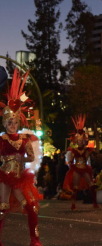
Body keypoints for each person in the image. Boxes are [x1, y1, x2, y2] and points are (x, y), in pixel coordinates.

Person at [0, 69, 42, 246]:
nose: (12, 125)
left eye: (15, 122)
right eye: (9, 122)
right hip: (4, 177)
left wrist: (21, 160)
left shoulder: (25, 138)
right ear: (4, 122)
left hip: (19, 179)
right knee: (2, 209)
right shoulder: (1, 139)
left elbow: (31, 158)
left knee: (31, 207)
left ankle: (35, 240)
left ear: (19, 122)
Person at [63, 115, 99, 211]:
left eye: (81, 140)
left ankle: (95, 203)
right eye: (78, 141)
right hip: (76, 168)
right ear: (76, 141)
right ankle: (73, 204)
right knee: (75, 186)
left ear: (84, 141)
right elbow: (70, 160)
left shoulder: (87, 149)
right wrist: (70, 163)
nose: (79, 142)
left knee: (91, 185)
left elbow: (88, 159)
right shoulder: (73, 150)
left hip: (85, 168)